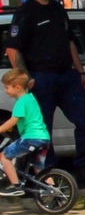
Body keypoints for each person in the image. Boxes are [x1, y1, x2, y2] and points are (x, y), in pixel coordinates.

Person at [5, 0, 85, 185]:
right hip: (41, 78)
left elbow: (70, 42)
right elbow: (13, 50)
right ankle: (48, 176)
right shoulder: (25, 13)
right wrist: (26, 79)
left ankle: (84, 169)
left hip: (67, 77)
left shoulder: (58, 9)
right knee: (41, 130)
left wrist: (81, 70)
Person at [0, 68, 52, 198]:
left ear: (17, 87)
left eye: (7, 88)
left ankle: (16, 186)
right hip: (44, 138)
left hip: (31, 138)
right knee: (39, 168)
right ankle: (53, 189)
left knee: (5, 157)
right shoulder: (30, 98)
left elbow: (12, 121)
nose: (5, 90)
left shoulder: (20, 102)